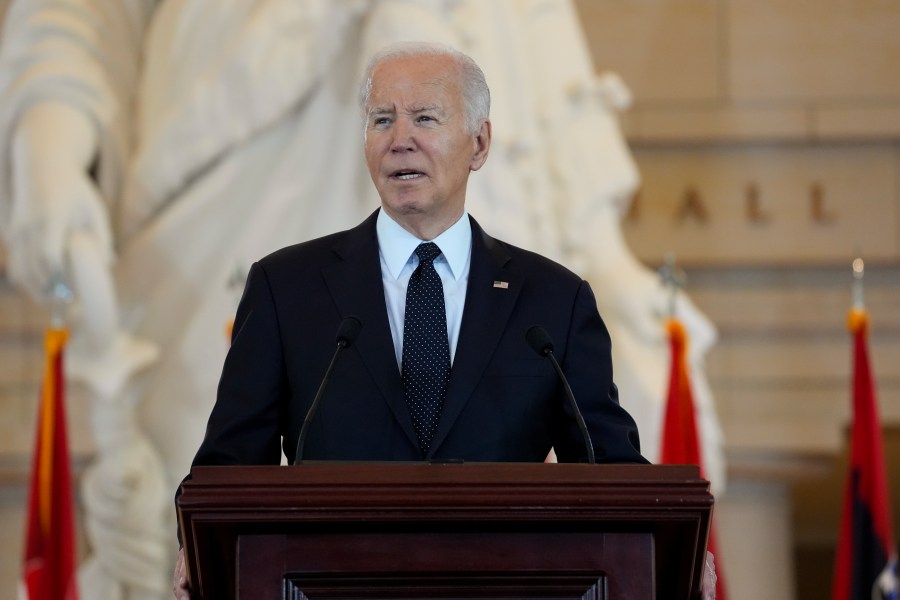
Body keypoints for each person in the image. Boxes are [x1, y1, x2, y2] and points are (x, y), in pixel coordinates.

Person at [172, 41, 658, 598]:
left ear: (479, 143)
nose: (400, 138)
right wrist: (196, 542)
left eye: (425, 118)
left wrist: (668, 547)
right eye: (383, 119)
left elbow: (610, 470)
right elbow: (228, 466)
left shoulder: (553, 302)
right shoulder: (288, 287)